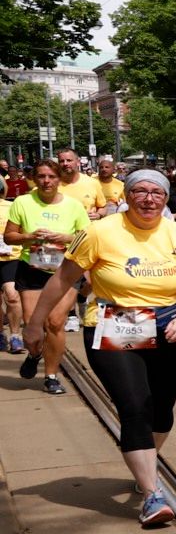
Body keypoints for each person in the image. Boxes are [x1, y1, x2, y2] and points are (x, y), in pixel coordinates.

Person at [23, 167, 176, 524]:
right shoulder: (99, 232)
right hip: (114, 325)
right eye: (140, 191)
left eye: (157, 193)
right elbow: (62, 279)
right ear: (126, 196)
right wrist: (34, 324)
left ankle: (145, 465)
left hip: (169, 326)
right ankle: (152, 494)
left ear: (166, 199)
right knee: (134, 406)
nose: (148, 199)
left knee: (161, 410)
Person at [5, 159, 89, 394]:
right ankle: (34, 354)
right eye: (41, 176)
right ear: (34, 178)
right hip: (32, 269)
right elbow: (9, 236)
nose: (46, 181)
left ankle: (51, 376)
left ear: (59, 179)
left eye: (51, 177)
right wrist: (30, 236)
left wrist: (65, 238)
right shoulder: (22, 202)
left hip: (65, 272)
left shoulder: (73, 206)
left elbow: (87, 237)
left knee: (54, 322)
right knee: (33, 327)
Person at [0, 183, 20, 354]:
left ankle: (15, 336)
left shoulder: (13, 207)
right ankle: (0, 334)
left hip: (10, 258)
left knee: (12, 296)